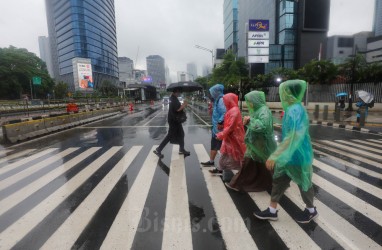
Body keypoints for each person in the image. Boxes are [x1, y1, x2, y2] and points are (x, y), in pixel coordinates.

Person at [254, 80, 318, 224]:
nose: (282, 94)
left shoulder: (296, 110)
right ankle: (272, 210)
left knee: (303, 183)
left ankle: (311, 210)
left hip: (298, 156)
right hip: (288, 155)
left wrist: (275, 155)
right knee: (279, 180)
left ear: (291, 93)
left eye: (285, 91)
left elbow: (293, 136)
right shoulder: (291, 109)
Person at [225, 91, 277, 192]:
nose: (249, 104)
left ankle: (236, 184)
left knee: (248, 164)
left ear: (256, 100)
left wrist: (249, 121)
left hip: (261, 144)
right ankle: (273, 183)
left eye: (250, 101)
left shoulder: (264, 111)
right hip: (256, 144)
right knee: (261, 165)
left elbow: (263, 126)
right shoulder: (258, 110)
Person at [209, 93, 246, 181]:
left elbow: (231, 126)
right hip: (230, 138)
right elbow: (228, 124)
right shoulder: (231, 110)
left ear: (230, 101)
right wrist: (222, 126)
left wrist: (221, 134)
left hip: (235, 138)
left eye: (225, 101)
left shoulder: (235, 111)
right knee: (225, 154)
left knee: (237, 156)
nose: (224, 103)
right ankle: (220, 169)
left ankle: (243, 172)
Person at [153, 88, 190, 158]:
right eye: (179, 92)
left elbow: (176, 108)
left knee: (181, 134)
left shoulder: (173, 98)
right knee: (170, 136)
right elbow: (177, 109)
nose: (179, 94)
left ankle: (181, 149)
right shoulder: (173, 99)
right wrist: (184, 105)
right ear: (176, 92)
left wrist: (182, 105)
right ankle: (158, 149)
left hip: (175, 120)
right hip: (174, 121)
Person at [201, 84, 226, 166]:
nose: (211, 94)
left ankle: (224, 166)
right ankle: (211, 161)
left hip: (220, 128)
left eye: (212, 92)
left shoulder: (221, 100)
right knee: (214, 144)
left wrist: (220, 122)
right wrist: (210, 110)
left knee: (222, 146)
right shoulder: (217, 100)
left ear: (216, 92)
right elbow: (215, 113)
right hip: (216, 127)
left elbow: (224, 112)